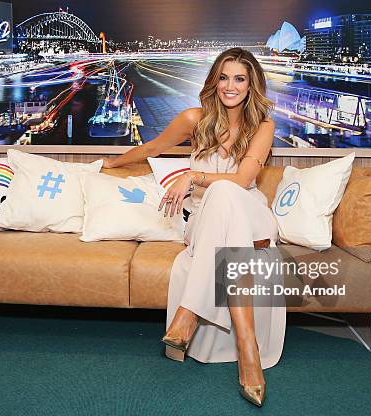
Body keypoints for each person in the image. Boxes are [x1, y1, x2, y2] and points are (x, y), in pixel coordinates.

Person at [102, 47, 285, 408]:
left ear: (251, 86)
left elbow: (244, 178)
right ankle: (248, 350)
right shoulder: (193, 119)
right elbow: (152, 147)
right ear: (214, 80)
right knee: (217, 195)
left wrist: (193, 176)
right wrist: (109, 162)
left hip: (251, 217)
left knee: (224, 190)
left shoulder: (264, 126)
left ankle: (189, 317)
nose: (230, 86)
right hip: (203, 223)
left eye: (239, 79)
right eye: (224, 77)